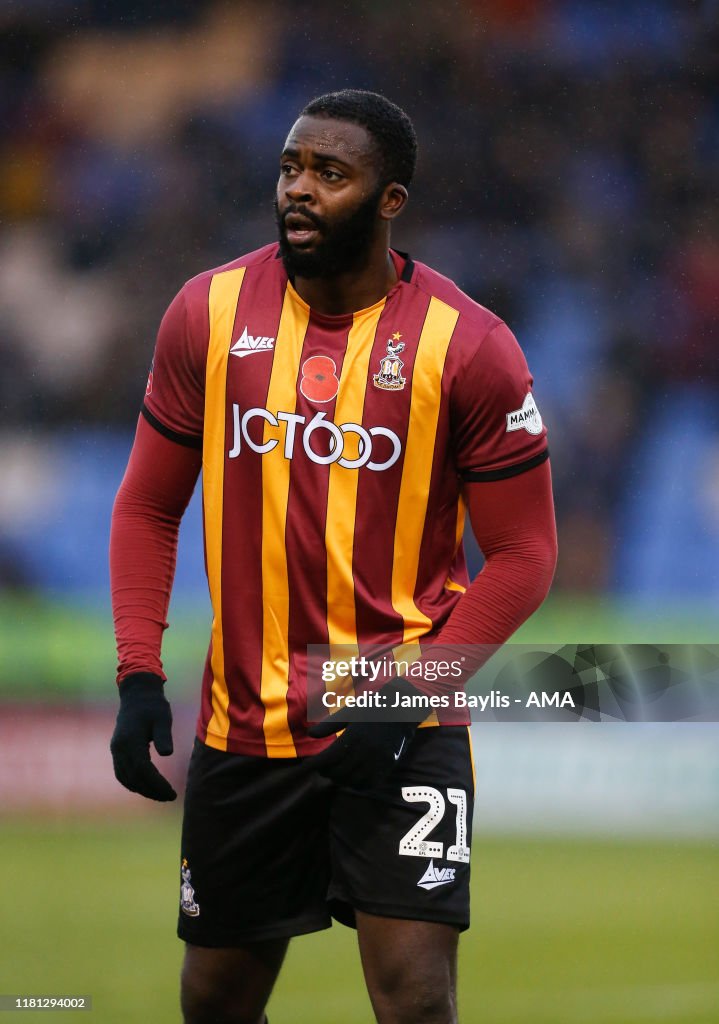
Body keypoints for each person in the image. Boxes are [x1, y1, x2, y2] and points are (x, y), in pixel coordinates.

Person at [110, 89, 557, 1024]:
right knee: (215, 1002)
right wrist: (138, 675)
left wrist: (403, 699)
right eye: (289, 168)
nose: (299, 190)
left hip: (400, 719)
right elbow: (149, 505)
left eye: (329, 173)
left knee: (415, 1000)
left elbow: (523, 554)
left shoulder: (468, 347)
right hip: (245, 725)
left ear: (390, 199)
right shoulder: (208, 312)